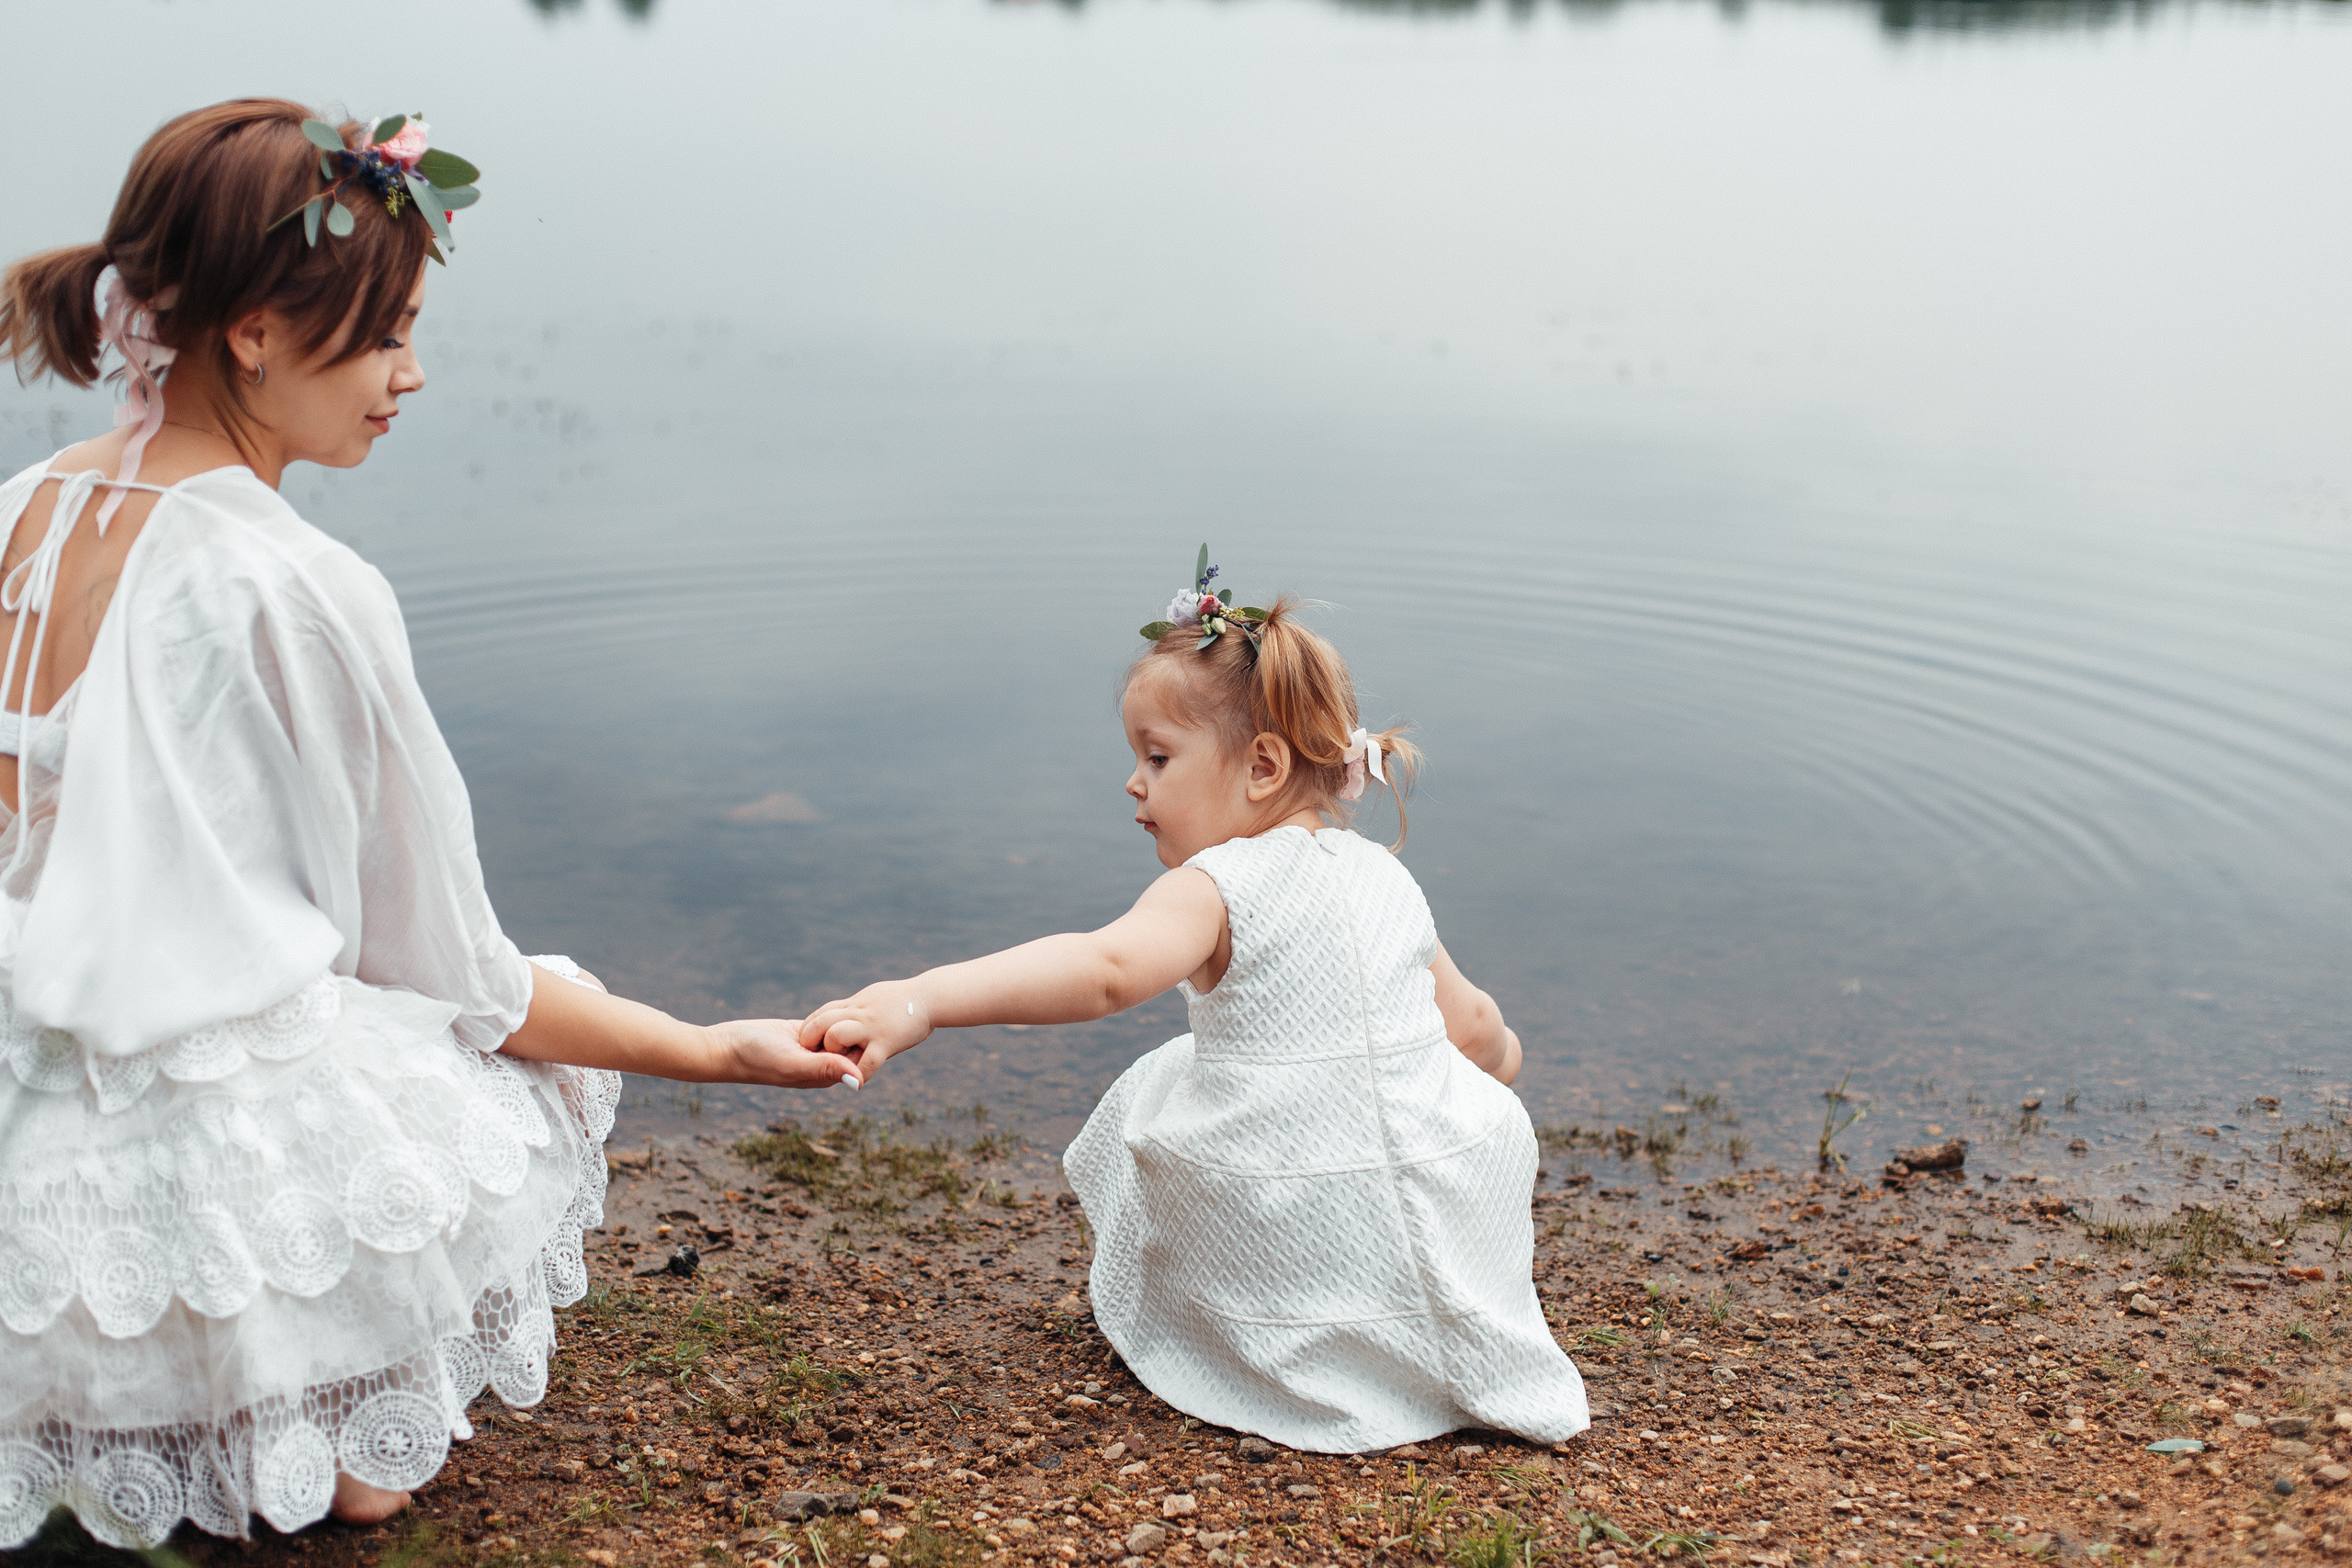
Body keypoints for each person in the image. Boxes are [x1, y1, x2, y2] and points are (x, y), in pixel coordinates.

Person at [0, 99, 858, 1551]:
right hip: (186, 1093)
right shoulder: (296, 580)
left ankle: (215, 1398)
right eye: (386, 330)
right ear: (255, 330)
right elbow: (448, 968)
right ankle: (311, 1413)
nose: (413, 373)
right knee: (478, 1077)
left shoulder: (23, 505)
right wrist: (706, 1048)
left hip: (23, 1047)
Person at [797, 558, 1589, 1453]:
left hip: (1282, 1203)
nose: (1134, 784)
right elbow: (1475, 1028)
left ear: (1260, 766)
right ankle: (1405, 1327)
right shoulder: (1384, 874)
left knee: (1155, 1094)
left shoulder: (1217, 884)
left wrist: (923, 999)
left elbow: (1101, 969)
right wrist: (1495, 1075)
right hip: (1434, 1182)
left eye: (1158, 758)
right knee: (1422, 1099)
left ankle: (1211, 1318)